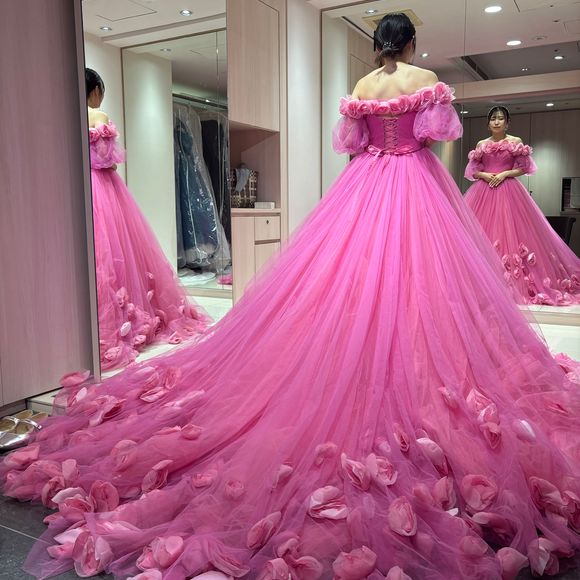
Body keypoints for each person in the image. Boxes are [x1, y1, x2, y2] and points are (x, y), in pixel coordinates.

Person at [2, 17, 579, 580]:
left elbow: (355, 141)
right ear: (409, 43)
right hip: (413, 183)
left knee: (356, 273)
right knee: (418, 274)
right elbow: (438, 135)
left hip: (365, 183)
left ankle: (363, 345)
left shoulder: (362, 86)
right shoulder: (423, 79)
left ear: (379, 44)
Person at [85, 69, 209, 370]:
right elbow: (107, 160)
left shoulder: (63, 116)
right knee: (117, 250)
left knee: (95, 254)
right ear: (95, 90)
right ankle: (123, 320)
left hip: (79, 189)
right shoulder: (97, 116)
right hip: (102, 188)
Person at [464, 106, 580, 305]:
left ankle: (513, 282)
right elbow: (473, 169)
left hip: (509, 190)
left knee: (511, 231)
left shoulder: (515, 141)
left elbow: (524, 167)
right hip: (484, 189)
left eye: (501, 118)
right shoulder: (481, 144)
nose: (497, 122)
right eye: (493, 118)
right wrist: (484, 175)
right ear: (488, 123)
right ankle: (480, 282)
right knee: (477, 233)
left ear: (507, 123)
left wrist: (504, 174)